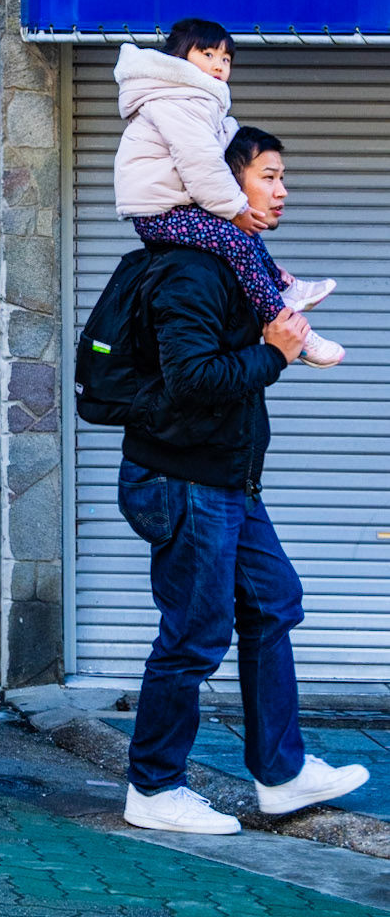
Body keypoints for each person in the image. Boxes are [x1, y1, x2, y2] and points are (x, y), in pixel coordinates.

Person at [119, 125, 369, 835]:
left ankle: (280, 773)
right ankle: (153, 787)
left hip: (224, 479)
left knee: (271, 602)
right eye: (268, 176)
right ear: (224, 184)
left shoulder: (241, 263)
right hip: (182, 479)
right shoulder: (190, 271)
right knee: (195, 636)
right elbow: (192, 379)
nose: (281, 190)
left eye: (281, 176)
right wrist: (274, 353)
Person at [114, 18, 343, 366]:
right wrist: (234, 206)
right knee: (236, 235)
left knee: (241, 234)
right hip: (158, 211)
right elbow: (201, 161)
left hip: (173, 206)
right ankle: (289, 326)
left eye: (226, 59)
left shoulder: (195, 100)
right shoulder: (178, 100)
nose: (219, 65)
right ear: (178, 58)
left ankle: (282, 286)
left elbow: (212, 146)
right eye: (208, 54)